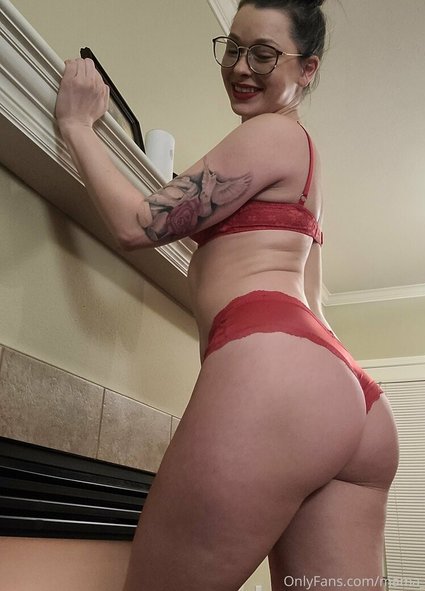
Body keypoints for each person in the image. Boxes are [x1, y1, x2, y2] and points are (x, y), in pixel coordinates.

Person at [55, 1, 399, 589]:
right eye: (233, 48)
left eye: (263, 54)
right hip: (350, 398)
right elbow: (310, 299)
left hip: (277, 372)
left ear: (307, 68)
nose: (241, 67)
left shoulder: (270, 133)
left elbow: (138, 225)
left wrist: (77, 126)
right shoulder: (307, 173)